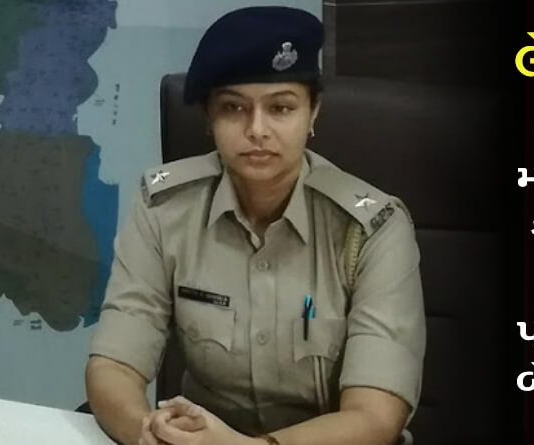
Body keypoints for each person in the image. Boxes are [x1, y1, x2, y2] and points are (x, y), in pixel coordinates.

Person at [84, 6, 425, 445]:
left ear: (313, 113)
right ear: (208, 117)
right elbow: (113, 364)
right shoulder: (164, 209)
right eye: (233, 108)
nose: (257, 130)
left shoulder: (372, 228)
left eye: (281, 107)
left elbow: (375, 417)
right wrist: (145, 431)